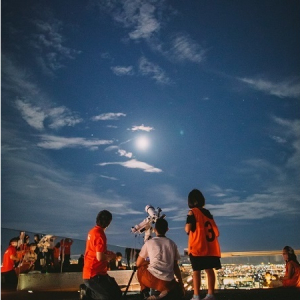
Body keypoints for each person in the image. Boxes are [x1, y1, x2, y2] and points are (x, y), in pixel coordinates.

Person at [185, 189, 221, 300]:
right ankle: (210, 294)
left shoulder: (192, 212)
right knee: (209, 270)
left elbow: (187, 229)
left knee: (196, 271)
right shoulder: (208, 214)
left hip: (197, 247)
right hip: (210, 248)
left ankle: (196, 295)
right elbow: (217, 232)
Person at [136, 218, 185, 300]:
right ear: (167, 229)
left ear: (154, 230)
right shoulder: (172, 244)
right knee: (173, 288)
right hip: (167, 283)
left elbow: (138, 263)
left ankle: (145, 293)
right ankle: (162, 295)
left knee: (141, 268)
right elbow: (175, 266)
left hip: (151, 280)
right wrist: (180, 283)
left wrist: (147, 263)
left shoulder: (149, 242)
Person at [81, 210, 122, 300]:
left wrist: (109, 254)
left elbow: (96, 251)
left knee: (116, 293)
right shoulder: (100, 235)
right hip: (94, 275)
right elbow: (99, 257)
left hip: (94, 273)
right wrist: (110, 257)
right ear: (108, 222)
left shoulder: (92, 232)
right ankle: (87, 293)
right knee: (108, 297)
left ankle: (88, 293)